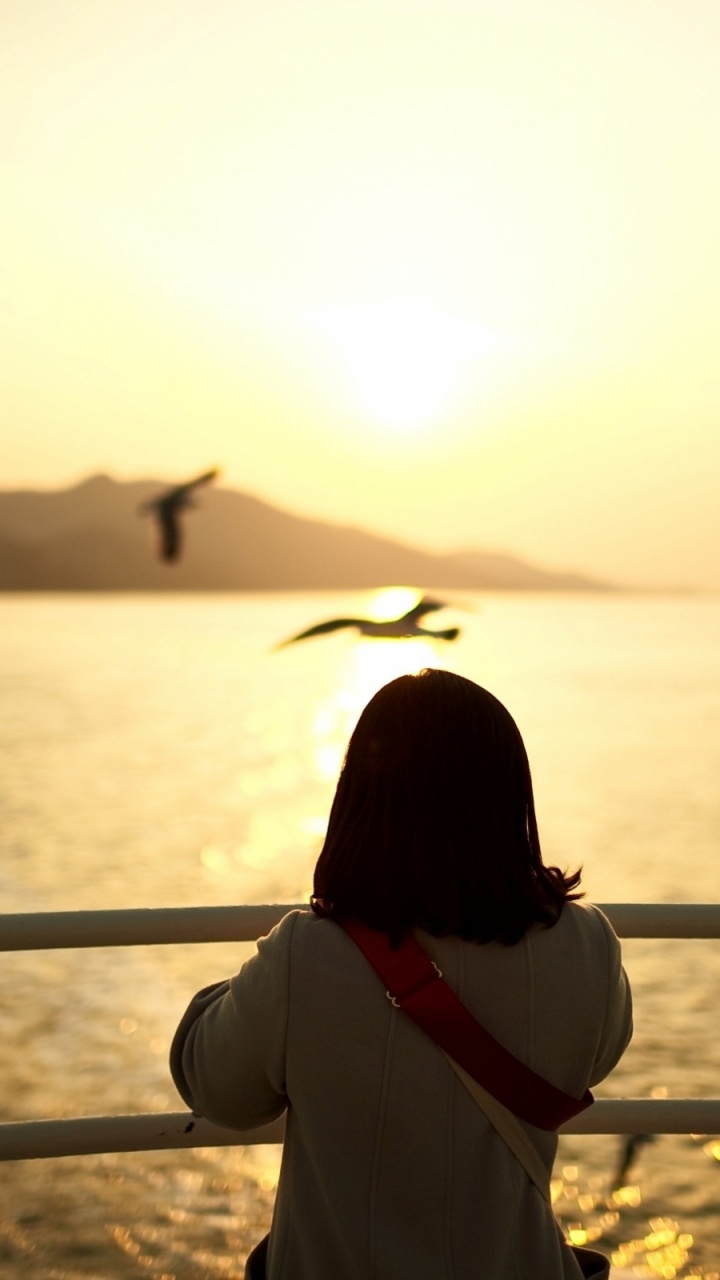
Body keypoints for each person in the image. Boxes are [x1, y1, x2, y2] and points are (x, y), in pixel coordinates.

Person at [170, 668, 632, 1279]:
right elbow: (592, 1063)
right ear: (509, 797)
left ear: (360, 797)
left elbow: (221, 1094)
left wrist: (235, 994)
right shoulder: (588, 945)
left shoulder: (306, 956)